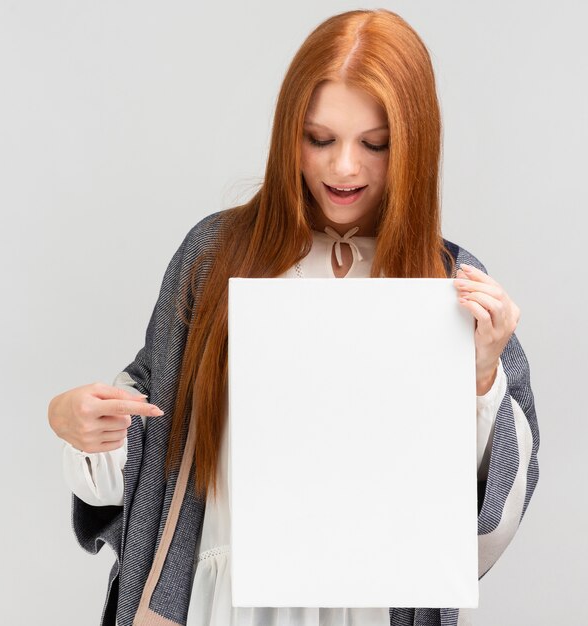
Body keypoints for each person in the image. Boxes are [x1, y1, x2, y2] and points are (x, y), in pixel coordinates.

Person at [47, 8, 539, 626]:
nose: (344, 168)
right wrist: (80, 425)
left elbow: (484, 531)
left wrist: (482, 377)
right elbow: (150, 442)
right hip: (222, 604)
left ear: (415, 142)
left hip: (368, 608)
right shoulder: (215, 261)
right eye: (320, 138)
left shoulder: (450, 285)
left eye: (375, 144)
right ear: (289, 134)